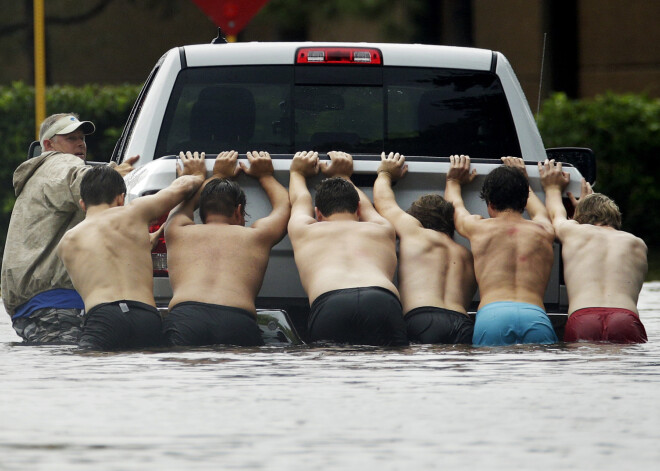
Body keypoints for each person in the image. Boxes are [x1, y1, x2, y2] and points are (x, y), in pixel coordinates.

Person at [1, 113, 138, 344]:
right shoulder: (60, 161)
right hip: (58, 305)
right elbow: (81, 180)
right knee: (76, 376)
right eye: (70, 138)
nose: (80, 144)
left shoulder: (39, 175)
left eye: (82, 138)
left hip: (30, 308)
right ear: (48, 145)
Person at [56, 152, 206, 350]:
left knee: (92, 376)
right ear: (121, 198)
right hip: (145, 316)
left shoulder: (67, 242)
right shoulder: (135, 212)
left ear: (82, 204)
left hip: (103, 318)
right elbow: (183, 187)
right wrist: (196, 174)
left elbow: (105, 258)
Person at [162, 150, 290, 347]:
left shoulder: (177, 230)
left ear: (201, 212)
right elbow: (284, 206)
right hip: (236, 320)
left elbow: (183, 204)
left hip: (186, 318)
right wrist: (265, 175)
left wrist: (217, 175)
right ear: (239, 211)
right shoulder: (257, 236)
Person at [287, 150, 408, 346]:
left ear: (317, 213)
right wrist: (343, 175)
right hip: (381, 299)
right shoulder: (382, 228)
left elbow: (300, 200)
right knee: (389, 371)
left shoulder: (304, 230)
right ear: (358, 210)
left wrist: (296, 173)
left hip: (331, 302)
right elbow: (367, 206)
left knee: (331, 371)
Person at [444, 155, 558, 346]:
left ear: (490, 203)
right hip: (535, 317)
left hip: (493, 317)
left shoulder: (478, 227)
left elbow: (455, 207)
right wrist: (523, 179)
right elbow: (540, 212)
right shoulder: (544, 230)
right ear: (524, 202)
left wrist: (453, 181)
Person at [539, 159, 648, 343]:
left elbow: (556, 214)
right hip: (625, 319)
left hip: (584, 317)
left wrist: (552, 188)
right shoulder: (637, 244)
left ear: (578, 218)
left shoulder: (574, 232)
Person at [373, 152, 477, 344]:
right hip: (462, 323)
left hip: (423, 318)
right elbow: (456, 208)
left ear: (416, 219)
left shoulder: (415, 234)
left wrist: (385, 173)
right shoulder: (468, 255)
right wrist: (453, 182)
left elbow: (384, 203)